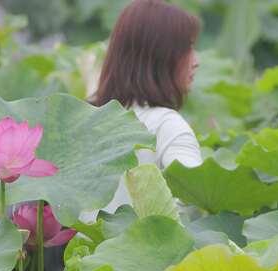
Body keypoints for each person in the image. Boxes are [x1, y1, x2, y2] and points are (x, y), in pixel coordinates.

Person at [81, 0, 204, 221]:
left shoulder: (81, 122)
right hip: (148, 254)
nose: (196, 61)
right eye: (189, 48)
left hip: (80, 254)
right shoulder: (167, 124)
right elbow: (196, 198)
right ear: (162, 56)